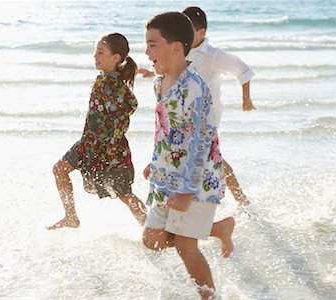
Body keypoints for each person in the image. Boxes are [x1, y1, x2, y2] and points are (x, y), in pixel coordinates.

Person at [142, 12, 228, 299]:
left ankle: (210, 297)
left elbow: (201, 143)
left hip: (198, 179)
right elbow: (166, 129)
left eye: (153, 44)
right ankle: (217, 228)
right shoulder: (159, 83)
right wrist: (155, 163)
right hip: (168, 175)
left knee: (185, 246)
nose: (146, 51)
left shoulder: (194, 88)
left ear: (175, 47)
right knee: (152, 239)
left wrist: (188, 191)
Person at [139, 6, 255, 205]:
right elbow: (167, 70)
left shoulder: (213, 55)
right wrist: (152, 73)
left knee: (209, 155)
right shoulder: (176, 54)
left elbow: (243, 71)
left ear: (201, 33)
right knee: (197, 155)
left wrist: (246, 99)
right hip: (181, 113)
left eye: (189, 30)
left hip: (204, 114)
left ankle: (237, 198)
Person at [47, 33, 147, 230]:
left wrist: (107, 144)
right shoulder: (106, 80)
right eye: (95, 52)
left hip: (109, 150)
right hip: (89, 144)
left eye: (100, 52)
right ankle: (70, 217)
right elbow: (128, 101)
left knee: (125, 194)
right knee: (59, 170)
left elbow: (128, 106)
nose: (95, 56)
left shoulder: (113, 86)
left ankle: (151, 226)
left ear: (115, 58)